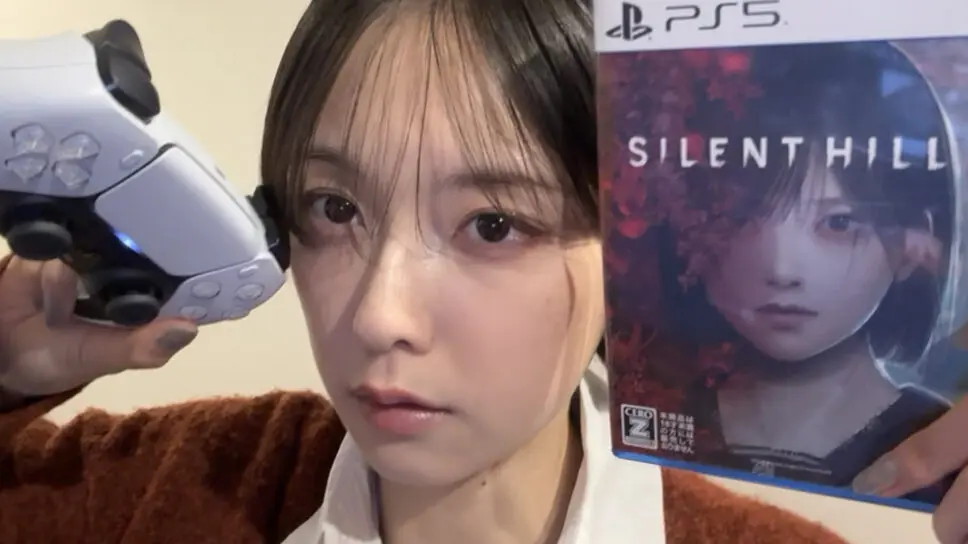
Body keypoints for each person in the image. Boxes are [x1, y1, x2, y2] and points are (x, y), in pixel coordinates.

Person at [0, 2, 965, 543]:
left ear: (627, 247)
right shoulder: (172, 488)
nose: (379, 317)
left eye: (493, 224)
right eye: (334, 209)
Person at [604, 42, 956, 505]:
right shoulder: (652, 414)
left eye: (838, 223)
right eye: (740, 220)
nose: (782, 270)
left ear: (913, 245)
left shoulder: (942, 444)